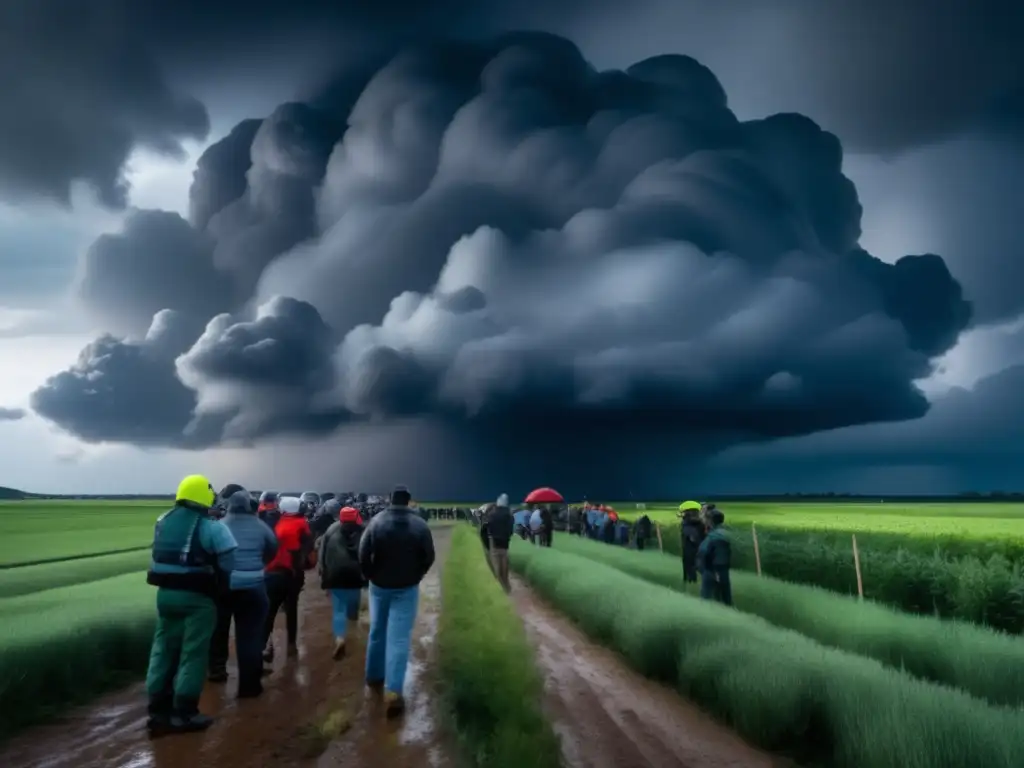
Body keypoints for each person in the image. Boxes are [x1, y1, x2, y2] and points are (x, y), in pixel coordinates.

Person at [144, 474, 237, 735]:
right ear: (203, 496)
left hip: (165, 596)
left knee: (162, 649)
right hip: (198, 599)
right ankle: (185, 714)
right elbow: (229, 564)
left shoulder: (162, 520)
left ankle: (158, 712)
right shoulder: (211, 527)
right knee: (193, 653)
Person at [358, 485, 436, 718]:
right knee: (399, 639)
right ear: (409, 501)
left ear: (390, 500)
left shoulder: (376, 521)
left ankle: (373, 677)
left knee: (377, 631)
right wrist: (417, 575)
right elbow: (429, 556)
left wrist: (371, 575)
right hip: (406, 587)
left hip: (379, 586)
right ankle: (393, 692)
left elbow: (363, 553)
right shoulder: (420, 524)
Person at [207, 487, 278, 697]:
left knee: (219, 630)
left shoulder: (219, 526)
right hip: (254, 587)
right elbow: (272, 548)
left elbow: (210, 554)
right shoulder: (261, 526)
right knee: (250, 636)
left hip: (224, 587)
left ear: (228, 506)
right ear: (249, 505)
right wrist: (258, 565)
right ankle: (249, 686)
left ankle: (217, 671)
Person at [262, 496, 314, 662]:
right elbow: (310, 553)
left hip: (271, 573)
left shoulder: (272, 522)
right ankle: (292, 646)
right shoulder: (302, 524)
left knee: (269, 612)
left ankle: (264, 645)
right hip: (293, 574)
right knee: (292, 609)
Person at [318, 505, 367, 659]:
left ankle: (340, 638)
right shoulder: (363, 531)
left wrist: (323, 574)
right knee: (353, 611)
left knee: (339, 610)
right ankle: (355, 636)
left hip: (335, 576)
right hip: (356, 577)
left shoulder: (331, 530)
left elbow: (322, 555)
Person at [697, 508, 732, 605]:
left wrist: (712, 570)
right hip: (720, 570)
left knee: (707, 598)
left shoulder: (715, 536)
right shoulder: (723, 533)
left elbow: (703, 552)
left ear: (711, 521)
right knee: (724, 597)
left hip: (712, 570)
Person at [488, 494, 514, 593]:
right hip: (505, 544)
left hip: (495, 543)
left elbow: (489, 529)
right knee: (505, 566)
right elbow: (511, 530)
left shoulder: (492, 514)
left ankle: (498, 589)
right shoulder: (509, 515)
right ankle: (506, 586)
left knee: (496, 567)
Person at [680, 502, 704, 583]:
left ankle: (690, 581)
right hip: (700, 548)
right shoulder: (701, 523)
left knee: (689, 568)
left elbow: (692, 538)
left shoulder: (686, 524)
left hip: (689, 550)